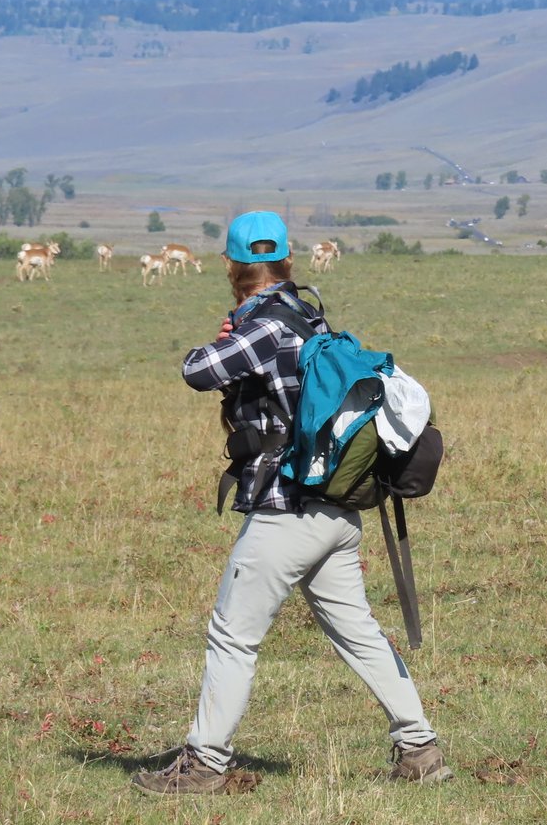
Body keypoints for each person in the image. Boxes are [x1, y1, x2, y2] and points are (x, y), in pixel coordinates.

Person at [131, 211, 451, 795]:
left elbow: (197, 371)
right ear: (287, 260)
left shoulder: (263, 326)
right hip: (337, 509)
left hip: (286, 510)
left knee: (232, 636)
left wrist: (227, 337)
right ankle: (419, 749)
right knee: (357, 632)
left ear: (230, 264)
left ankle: (204, 764)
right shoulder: (309, 314)